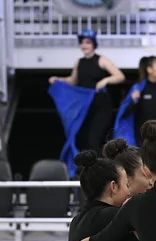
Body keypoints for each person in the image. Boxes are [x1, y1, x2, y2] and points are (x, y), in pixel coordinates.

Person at [48, 30, 126, 173]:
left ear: (93, 44)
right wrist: (58, 79)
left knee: (94, 138)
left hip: (100, 105)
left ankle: (98, 171)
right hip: (84, 107)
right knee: (82, 138)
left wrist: (105, 80)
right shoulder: (80, 62)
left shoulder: (101, 59)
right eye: (82, 42)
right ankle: (87, 171)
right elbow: (73, 80)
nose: (84, 45)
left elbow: (119, 76)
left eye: (88, 42)